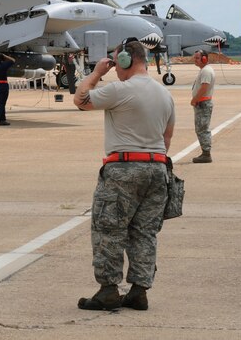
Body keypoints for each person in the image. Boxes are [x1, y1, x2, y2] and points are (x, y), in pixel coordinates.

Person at [72, 37, 175, 311]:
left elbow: (80, 100)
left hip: (123, 169)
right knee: (144, 233)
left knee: (109, 230)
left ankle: (108, 290)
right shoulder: (165, 94)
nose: (115, 68)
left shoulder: (120, 89)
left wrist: (96, 73)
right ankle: (139, 291)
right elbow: (167, 139)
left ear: (126, 60)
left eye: (117, 62)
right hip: (157, 169)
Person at [191, 50, 216, 163]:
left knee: (202, 129)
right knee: (200, 128)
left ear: (204, 59)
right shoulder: (204, 70)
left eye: (197, 58)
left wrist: (195, 99)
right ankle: (205, 152)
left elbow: (204, 87)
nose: (195, 60)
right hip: (201, 103)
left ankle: (206, 154)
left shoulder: (206, 71)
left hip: (203, 104)